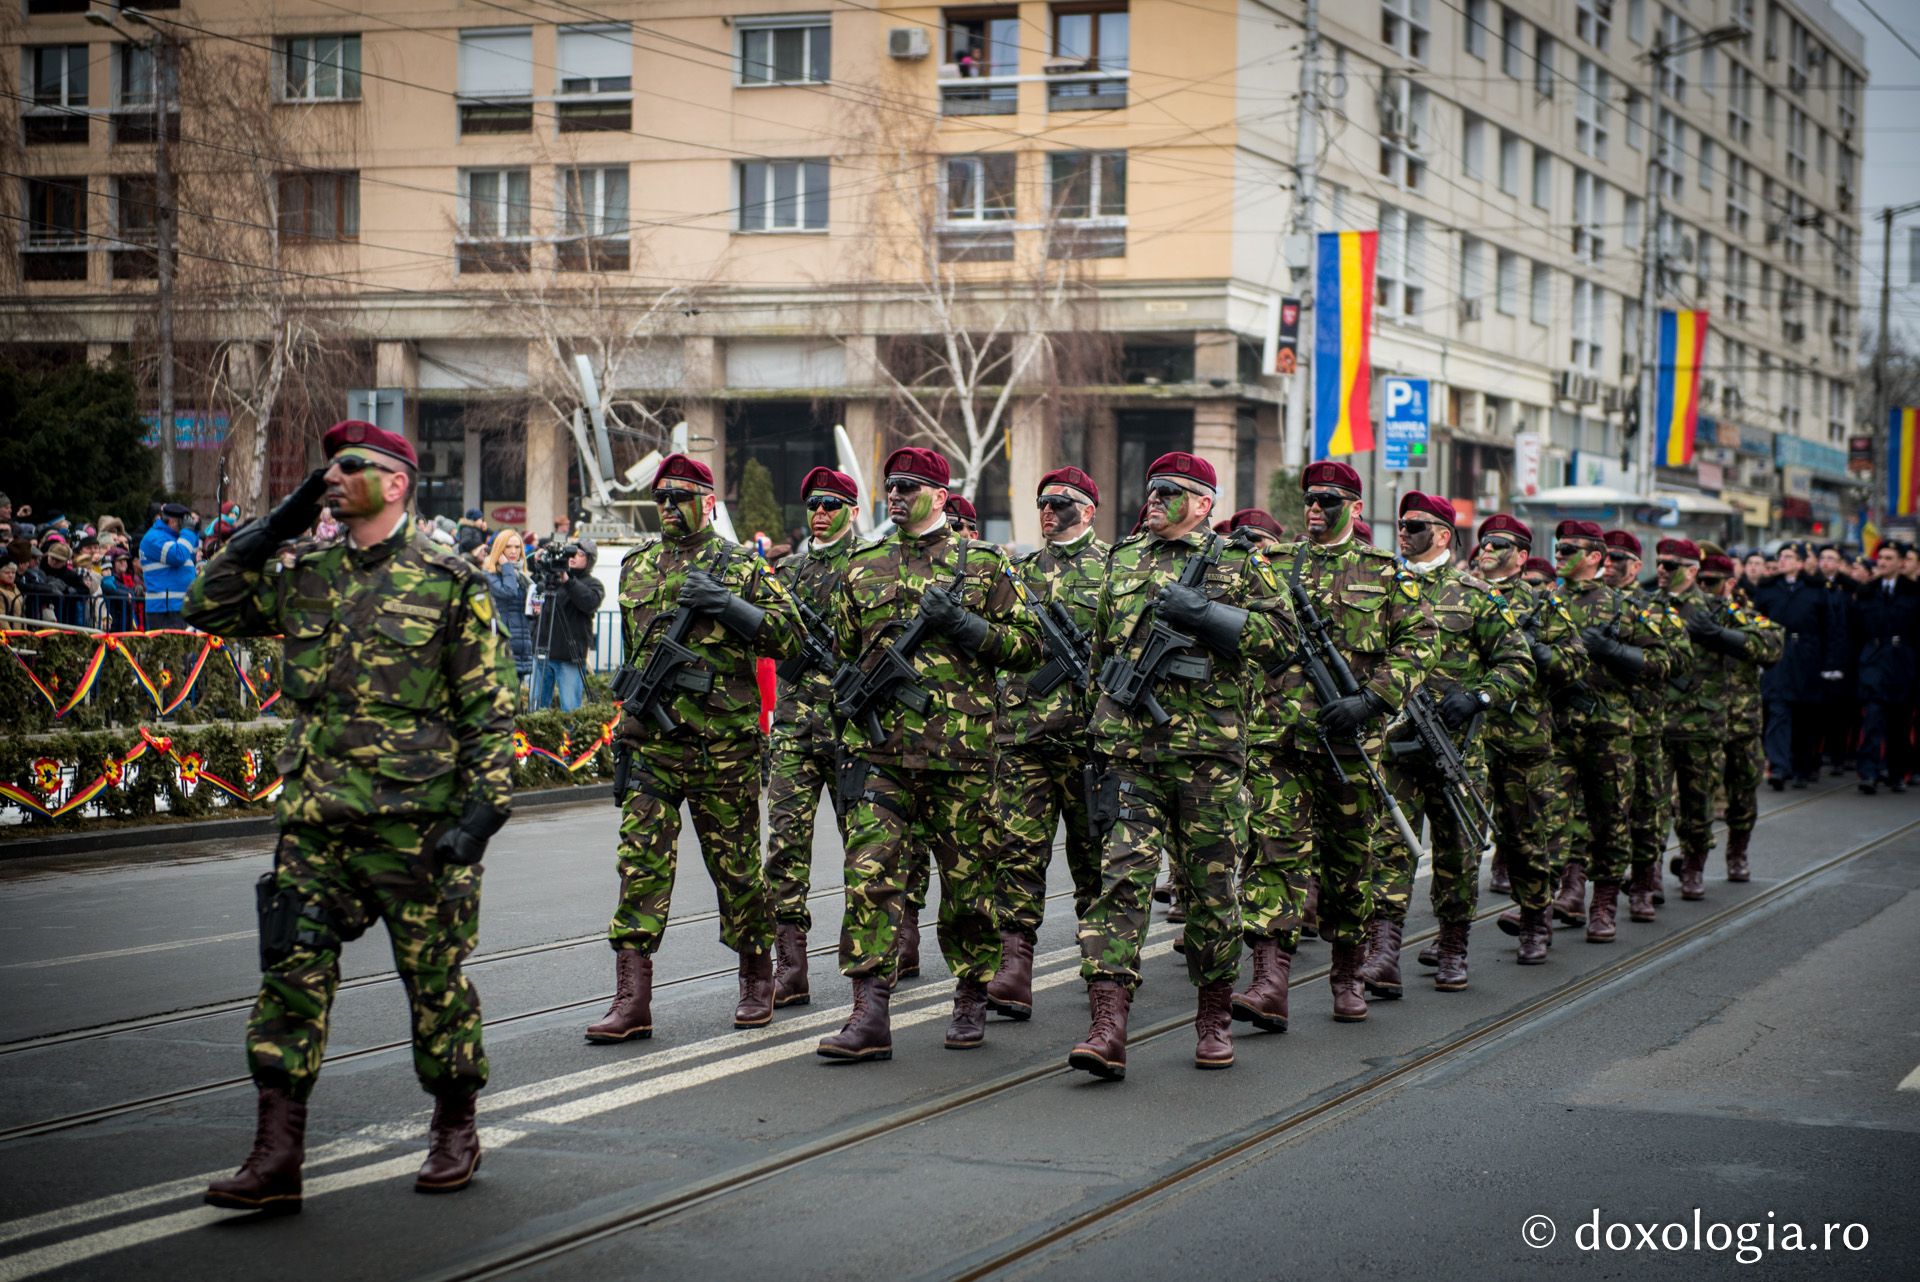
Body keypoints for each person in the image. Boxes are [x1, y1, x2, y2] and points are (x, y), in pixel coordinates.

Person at [186, 418, 517, 1210]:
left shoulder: (448, 577)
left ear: (397, 481)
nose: (332, 478)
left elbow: (489, 709)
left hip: (418, 824)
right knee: (289, 982)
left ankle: (453, 1123)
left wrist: (481, 816)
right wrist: (276, 524)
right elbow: (208, 603)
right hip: (316, 824)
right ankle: (277, 1152)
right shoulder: (307, 570)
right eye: (326, 468)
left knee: (434, 983)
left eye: (350, 468)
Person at [1069, 452, 1294, 1078]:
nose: (1156, 500)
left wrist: (1207, 616)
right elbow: (1098, 659)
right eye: (1151, 489)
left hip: (1208, 757)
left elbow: (1282, 644)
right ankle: (1108, 1023)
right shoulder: (1120, 561)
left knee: (1213, 892)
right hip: (1131, 755)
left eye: (1172, 491)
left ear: (1204, 504)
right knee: (1120, 883)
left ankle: (1214, 1017)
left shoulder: (1241, 564)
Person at [816, 447, 1037, 1062]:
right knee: (869, 879)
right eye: (891, 485)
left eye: (910, 486)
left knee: (969, 886)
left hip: (960, 757)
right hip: (881, 754)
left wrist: (966, 626)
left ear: (941, 496)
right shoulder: (863, 564)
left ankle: (970, 995)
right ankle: (869, 1012)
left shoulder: (983, 564)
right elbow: (842, 646)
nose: (896, 494)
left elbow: (1027, 646)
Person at [585, 454, 802, 1044]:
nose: (666, 507)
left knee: (735, 872)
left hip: (722, 750)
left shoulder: (739, 566)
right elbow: (635, 653)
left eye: (679, 496)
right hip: (653, 748)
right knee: (639, 869)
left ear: (707, 501)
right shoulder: (637, 567)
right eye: (659, 498)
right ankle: (632, 998)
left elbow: (789, 636)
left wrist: (728, 605)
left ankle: (757, 977)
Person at [1357, 493, 1531, 995]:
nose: (1404, 534)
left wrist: (1478, 697)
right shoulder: (1384, 586)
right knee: (1389, 848)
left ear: (1442, 536)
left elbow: (1517, 661)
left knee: (1456, 850)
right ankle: (1384, 954)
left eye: (1415, 527)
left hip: (1453, 747)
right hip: (1394, 745)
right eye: (1401, 526)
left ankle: (1453, 946)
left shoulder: (1474, 594)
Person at [982, 466, 1108, 1021]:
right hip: (1024, 738)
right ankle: (1014, 966)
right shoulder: (1019, 572)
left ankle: (1103, 969)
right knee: (1016, 852)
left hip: (1092, 745)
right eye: (1043, 503)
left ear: (1089, 510)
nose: (1049, 512)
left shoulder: (1115, 570)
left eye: (1062, 503)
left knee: (1095, 861)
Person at [764, 466, 863, 1008]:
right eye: (813, 505)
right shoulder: (790, 573)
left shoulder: (871, 564)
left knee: (866, 852)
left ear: (850, 508)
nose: (820, 514)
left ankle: (868, 961)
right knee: (784, 847)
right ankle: (791, 966)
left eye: (830, 504)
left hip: (852, 733)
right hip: (795, 731)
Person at [1545, 521, 1672, 943]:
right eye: (1558, 549)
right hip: (1558, 729)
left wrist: (1616, 652)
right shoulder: (1542, 602)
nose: (1559, 556)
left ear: (1595, 558)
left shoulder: (1623, 607)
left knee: (1609, 819)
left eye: (1568, 550)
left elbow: (1664, 662)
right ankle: (1549, 904)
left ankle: (1603, 904)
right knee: (1551, 819)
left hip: (1610, 731)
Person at [1476, 514, 1585, 963]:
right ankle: (1451, 938)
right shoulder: (1463, 596)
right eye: (1482, 542)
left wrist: (1541, 653)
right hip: (1470, 739)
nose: (1485, 549)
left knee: (1526, 838)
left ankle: (1535, 922)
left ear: (1521, 556)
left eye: (1497, 544)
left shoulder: (1544, 605)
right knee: (1460, 843)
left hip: (1523, 740)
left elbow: (1576, 665)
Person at [1601, 529, 1690, 916]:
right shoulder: (1583, 601)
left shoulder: (1654, 608)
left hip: (1642, 725)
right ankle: (1576, 890)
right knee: (1588, 812)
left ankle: (1643, 880)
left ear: (1636, 566)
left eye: (1617, 558)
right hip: (1596, 725)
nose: (1608, 564)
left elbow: (1679, 661)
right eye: (1603, 556)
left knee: (1645, 806)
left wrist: (1622, 653)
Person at [1698, 554, 1783, 882]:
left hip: (1741, 722)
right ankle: (1695, 859)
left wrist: (1724, 636)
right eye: (1700, 581)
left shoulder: (1745, 617)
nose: (1705, 588)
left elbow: (1772, 647)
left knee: (1744, 790)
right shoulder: (1689, 617)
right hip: (1700, 723)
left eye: (1711, 582)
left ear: (1730, 584)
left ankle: (1738, 851)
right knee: (1696, 795)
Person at [1748, 543, 1846, 788]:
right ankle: (1779, 767)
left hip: (1807, 657)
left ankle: (1802, 766)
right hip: (1778, 655)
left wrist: (1829, 664)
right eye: (1781, 556)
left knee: (1804, 714)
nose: (1782, 560)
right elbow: (1756, 622)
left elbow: (1830, 629)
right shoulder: (1768, 588)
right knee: (1778, 711)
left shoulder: (1816, 590)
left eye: (1788, 557)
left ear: (1801, 563)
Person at [1853, 542, 1919, 794]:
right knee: (1872, 719)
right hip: (1873, 661)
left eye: (1889, 558)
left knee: (1900, 724)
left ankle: (1897, 772)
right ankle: (1868, 772)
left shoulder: (1913, 592)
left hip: (1903, 663)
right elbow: (1856, 630)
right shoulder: (1867, 591)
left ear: (1901, 562)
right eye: (1880, 557)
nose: (1882, 562)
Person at [528, 540, 603, 711]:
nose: (573, 557)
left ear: (589, 560)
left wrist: (567, 580)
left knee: (570, 709)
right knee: (535, 707)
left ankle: (570, 737)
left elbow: (589, 602)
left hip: (569, 656)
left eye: (580, 554)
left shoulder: (592, 584)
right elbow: (530, 582)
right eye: (571, 552)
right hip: (541, 652)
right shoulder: (549, 580)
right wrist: (539, 560)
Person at [480, 529, 534, 683]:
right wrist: (507, 567)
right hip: (500, 646)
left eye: (517, 547)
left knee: (516, 702)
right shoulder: (489, 575)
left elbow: (520, 611)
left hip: (520, 645)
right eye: (508, 547)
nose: (514, 551)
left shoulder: (523, 577)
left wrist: (533, 612)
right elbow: (508, 593)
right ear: (500, 549)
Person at [140, 502, 200, 630]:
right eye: (183, 523)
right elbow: (178, 556)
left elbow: (192, 556)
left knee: (187, 649)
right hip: (165, 609)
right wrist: (188, 532)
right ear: (172, 522)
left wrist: (194, 532)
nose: (185, 526)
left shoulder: (176, 538)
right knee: (172, 650)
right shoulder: (154, 538)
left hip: (181, 606)